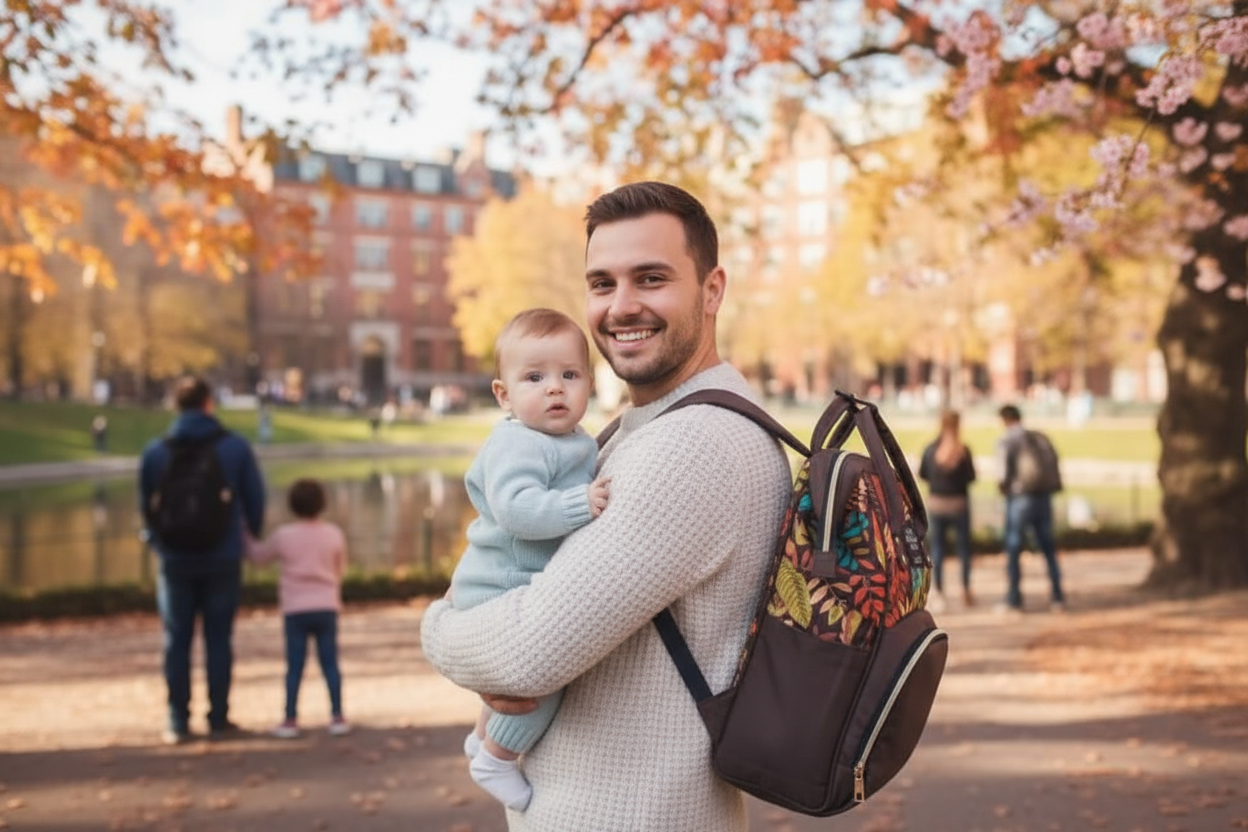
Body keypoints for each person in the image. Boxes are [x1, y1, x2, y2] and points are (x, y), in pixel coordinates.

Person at [420, 181, 793, 831]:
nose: (622, 306)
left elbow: (525, 656)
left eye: (651, 278)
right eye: (601, 284)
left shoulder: (693, 446)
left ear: (712, 290)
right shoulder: (647, 427)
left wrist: (437, 628)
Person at [442, 307, 610, 812]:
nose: (555, 388)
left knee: (509, 684)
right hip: (499, 584)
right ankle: (496, 757)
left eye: (569, 375)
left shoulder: (569, 439)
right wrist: (581, 504)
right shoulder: (520, 442)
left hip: (511, 581)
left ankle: (480, 737)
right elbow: (517, 510)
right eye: (535, 377)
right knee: (542, 683)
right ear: (504, 395)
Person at [138, 375, 266, 745]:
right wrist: (245, 537)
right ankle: (218, 717)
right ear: (209, 403)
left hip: (175, 558)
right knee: (219, 638)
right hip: (222, 556)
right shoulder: (235, 447)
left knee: (176, 638)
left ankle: (177, 719)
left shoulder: (155, 451)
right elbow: (255, 501)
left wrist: (159, 542)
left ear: (176, 405)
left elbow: (146, 507)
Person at [246, 478, 350, 739]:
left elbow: (259, 557)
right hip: (326, 606)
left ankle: (290, 718)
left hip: (295, 609)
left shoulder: (284, 536)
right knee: (330, 664)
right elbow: (340, 570)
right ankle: (337, 716)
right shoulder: (333, 534)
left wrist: (243, 535)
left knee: (294, 666)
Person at [997, 403, 1066, 612]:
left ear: (1005, 419)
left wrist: (1005, 489)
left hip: (1020, 499)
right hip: (1043, 497)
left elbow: (1001, 474)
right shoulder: (1038, 438)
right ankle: (1057, 596)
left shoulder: (1007, 440)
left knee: (1014, 547)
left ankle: (1014, 599)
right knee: (1048, 547)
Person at [918, 410, 977, 609]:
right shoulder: (963, 451)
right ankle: (966, 589)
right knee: (964, 550)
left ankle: (940, 591)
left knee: (938, 551)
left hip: (937, 504)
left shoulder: (931, 449)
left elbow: (923, 474)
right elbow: (971, 476)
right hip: (959, 504)